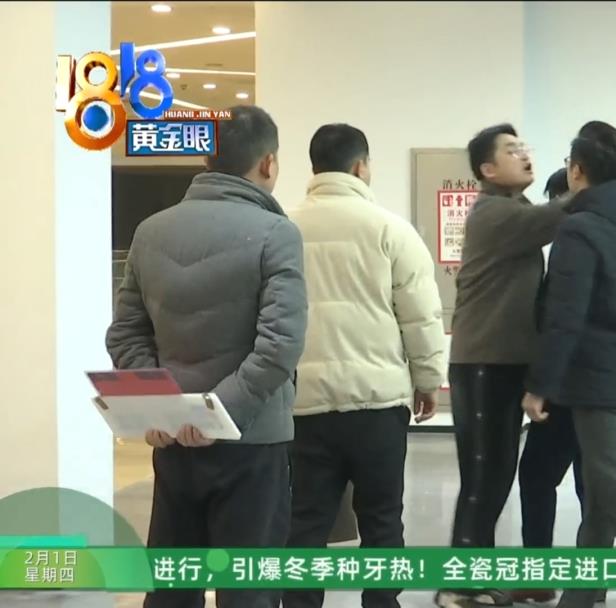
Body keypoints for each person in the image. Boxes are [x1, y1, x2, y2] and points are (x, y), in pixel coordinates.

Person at [105, 104, 307, 608]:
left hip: (174, 443)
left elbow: (126, 333)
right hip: (253, 441)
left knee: (172, 585)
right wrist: (219, 413)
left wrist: (162, 409)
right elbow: (280, 343)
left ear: (205, 157)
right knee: (248, 589)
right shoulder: (276, 233)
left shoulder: (151, 230)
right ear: (268, 163)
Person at [284, 124, 446, 608]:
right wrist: (428, 380)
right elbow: (420, 314)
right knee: (382, 518)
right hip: (378, 404)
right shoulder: (391, 229)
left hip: (303, 404)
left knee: (305, 521)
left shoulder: (283, 228)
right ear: (361, 166)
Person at [522, 122, 616, 608]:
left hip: (598, 386)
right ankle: (581, 597)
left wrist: (540, 386)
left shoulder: (580, 229)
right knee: (604, 500)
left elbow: (564, 315)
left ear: (577, 171)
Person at [436, 124, 569, 608]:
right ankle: (457, 584)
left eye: (524, 147)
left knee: (493, 476)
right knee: (483, 478)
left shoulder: (516, 208)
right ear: (488, 169)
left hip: (502, 361)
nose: (524, 155)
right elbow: (557, 216)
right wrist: (596, 181)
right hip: (483, 363)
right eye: (512, 151)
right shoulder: (494, 213)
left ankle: (473, 577)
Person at [512, 168, 586, 605]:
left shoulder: (574, 245)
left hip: (569, 385)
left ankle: (539, 574)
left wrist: (540, 385)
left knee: (537, 476)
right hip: (612, 385)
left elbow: (561, 321)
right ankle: (591, 582)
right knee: (595, 485)